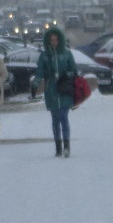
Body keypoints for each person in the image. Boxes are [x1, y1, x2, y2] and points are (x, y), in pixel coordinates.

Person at [33, 25, 77, 157]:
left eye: (56, 40)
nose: (54, 43)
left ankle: (66, 146)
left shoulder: (67, 53)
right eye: (51, 40)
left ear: (60, 40)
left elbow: (73, 70)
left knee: (64, 117)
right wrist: (35, 83)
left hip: (64, 89)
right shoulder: (44, 55)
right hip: (51, 90)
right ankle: (58, 146)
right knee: (55, 119)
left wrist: (66, 76)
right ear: (48, 41)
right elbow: (39, 71)